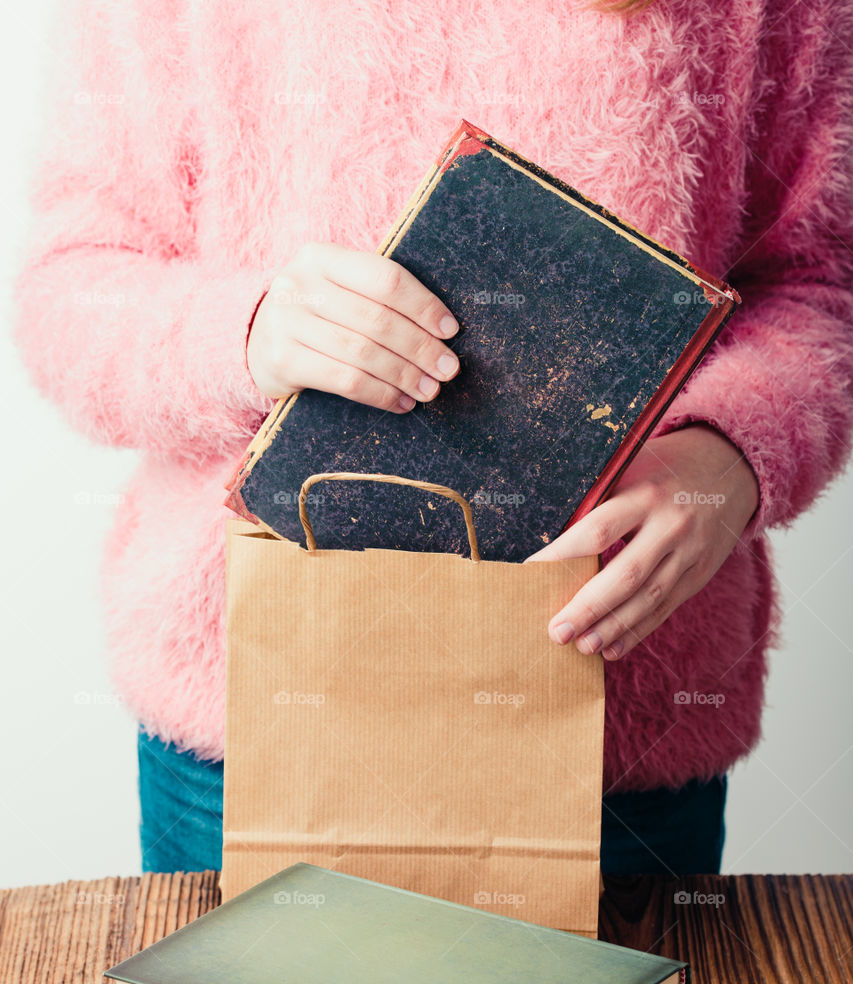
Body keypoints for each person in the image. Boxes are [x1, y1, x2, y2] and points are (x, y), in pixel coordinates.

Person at [12, 0, 853, 878]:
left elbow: (818, 284)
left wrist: (724, 458)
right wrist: (247, 331)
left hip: (615, 715)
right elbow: (71, 287)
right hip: (248, 709)